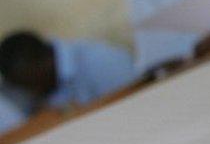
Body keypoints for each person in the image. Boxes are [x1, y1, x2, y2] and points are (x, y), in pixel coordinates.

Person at [0, 32, 136, 111]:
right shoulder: (44, 91)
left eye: (30, 84)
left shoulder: (102, 61)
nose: (32, 92)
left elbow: (135, 105)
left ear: (42, 62)